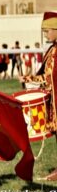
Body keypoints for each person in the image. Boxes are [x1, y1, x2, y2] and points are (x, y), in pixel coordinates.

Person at [20, 11, 57, 181]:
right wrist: (29, 79)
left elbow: (49, 79)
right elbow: (48, 78)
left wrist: (30, 79)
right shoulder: (52, 50)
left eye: (48, 30)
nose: (46, 34)